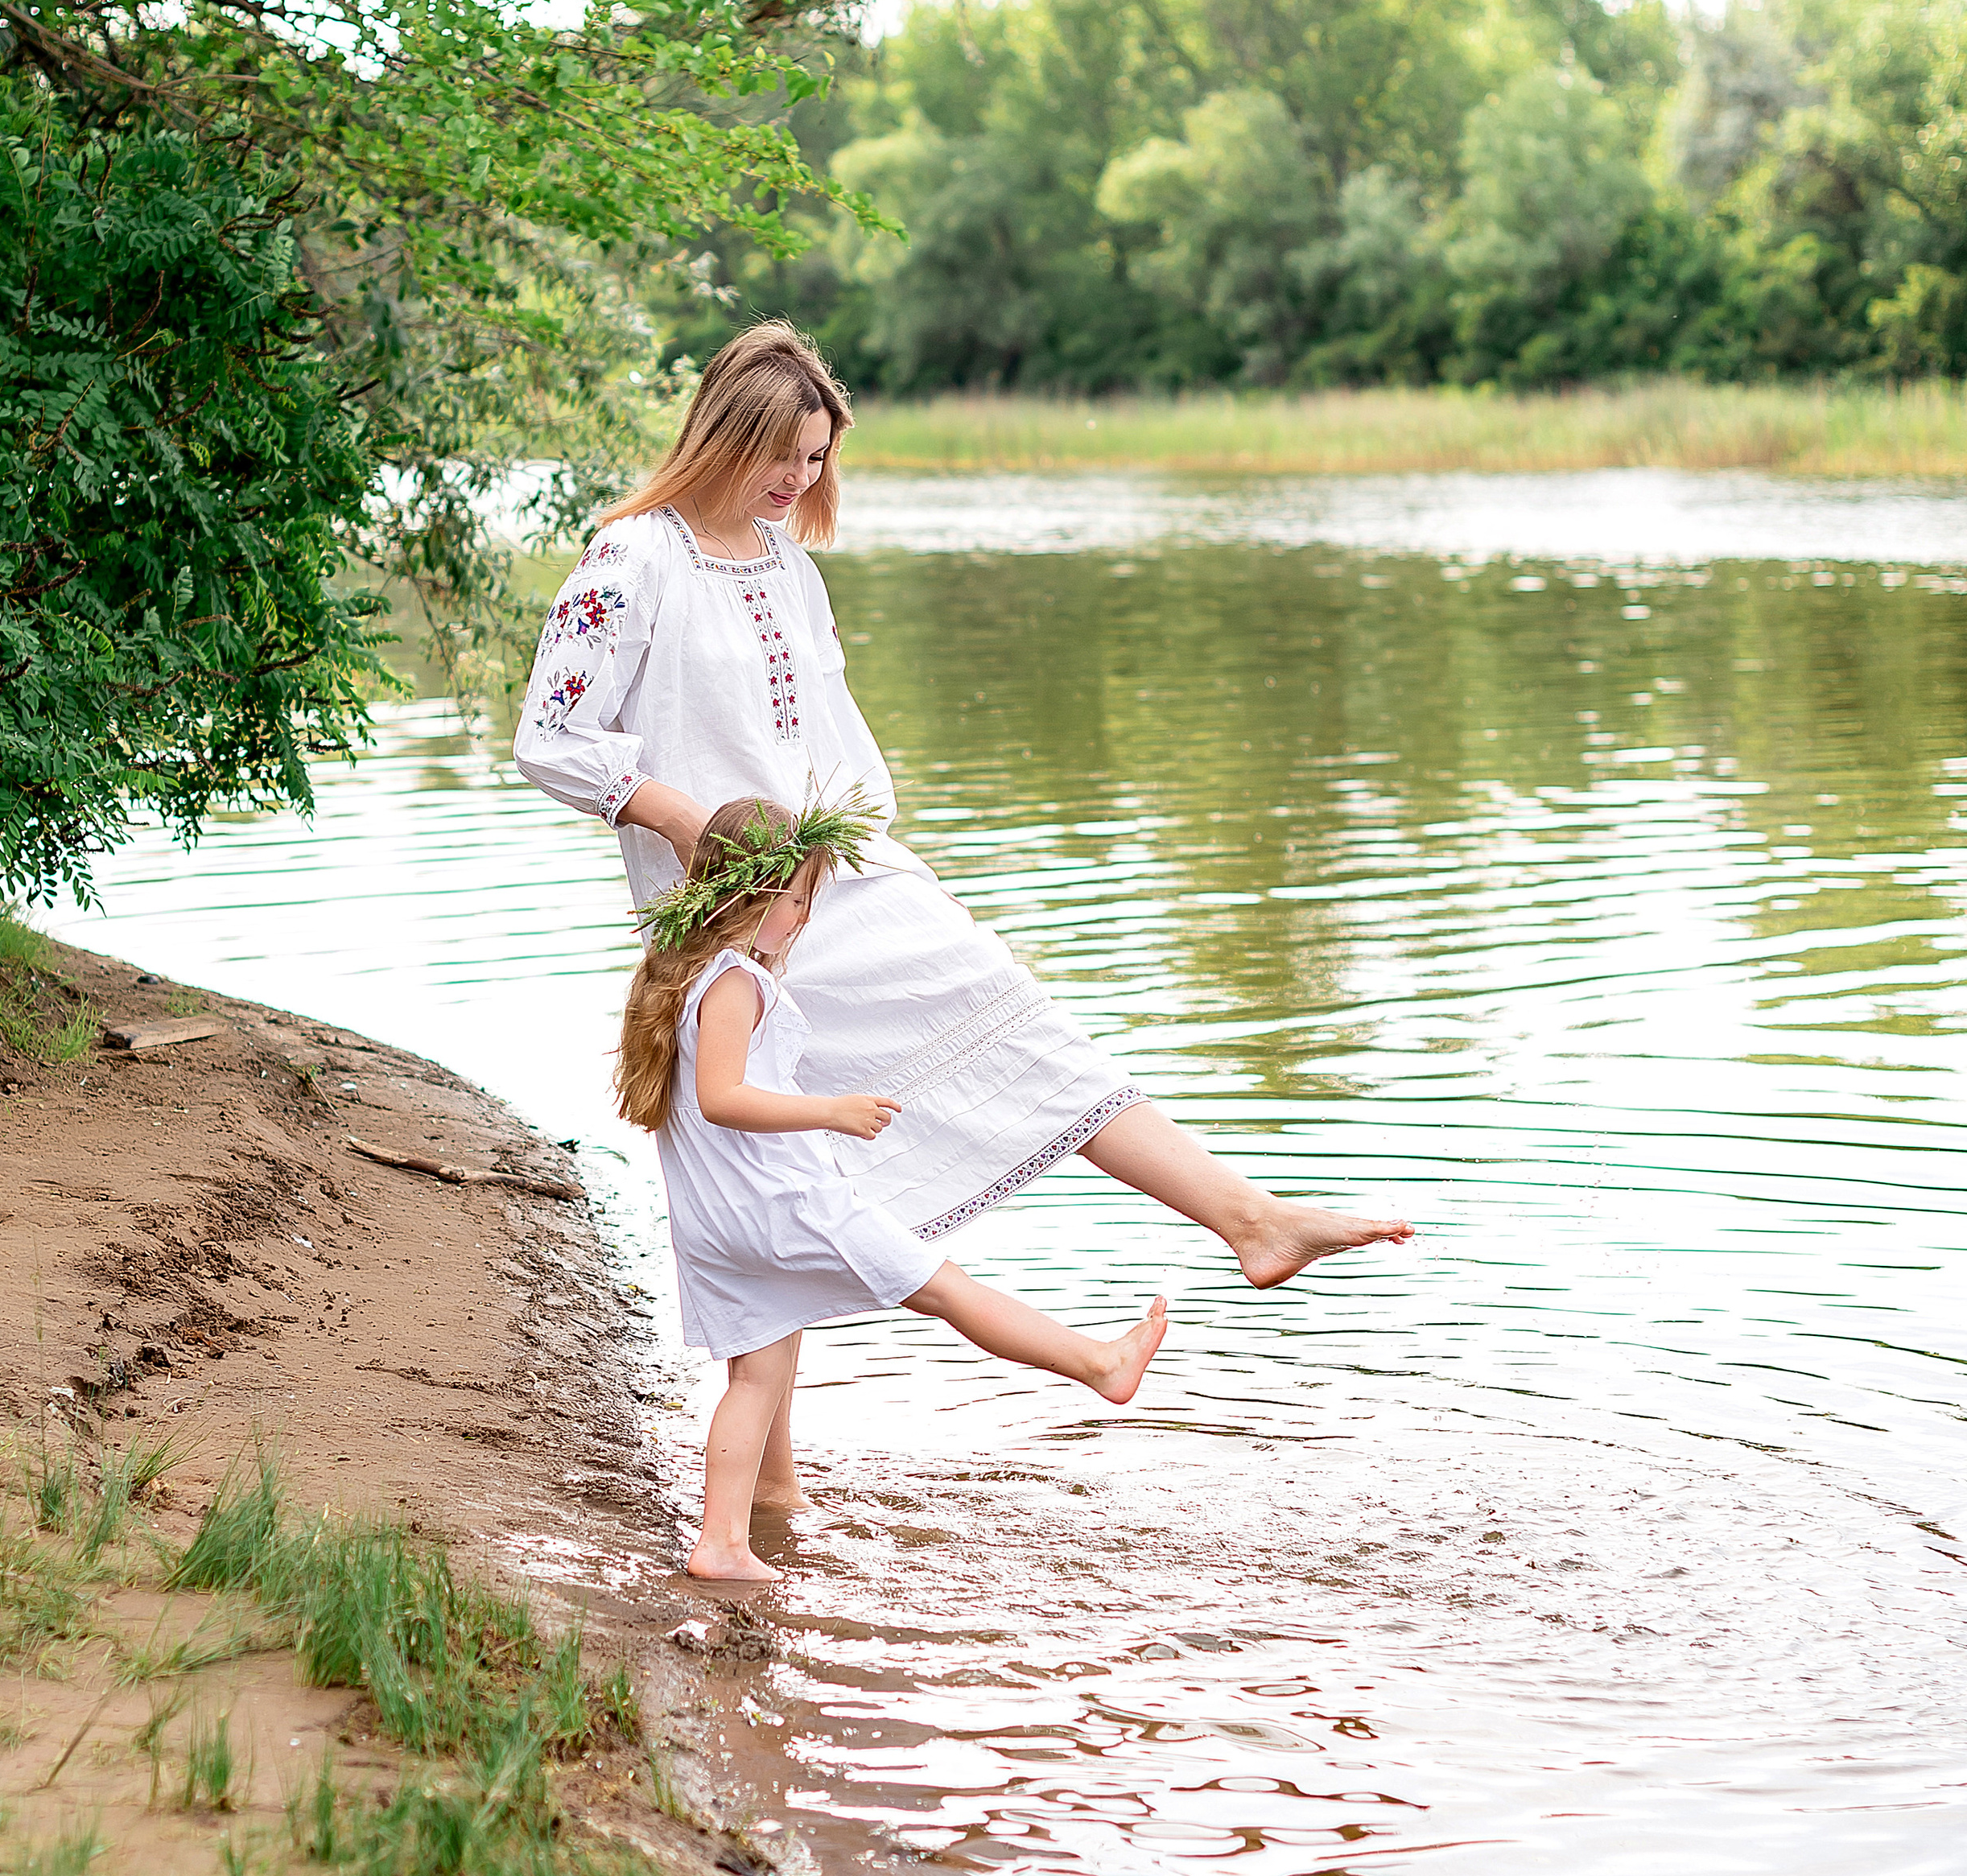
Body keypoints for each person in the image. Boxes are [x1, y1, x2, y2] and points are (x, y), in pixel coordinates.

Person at [513, 316, 1412, 1279]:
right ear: (723, 437)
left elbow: (829, 737)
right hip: (732, 906)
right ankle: (1241, 1224)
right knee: (777, 1151)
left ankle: (1247, 1218)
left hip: (835, 872)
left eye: (816, 459)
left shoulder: (789, 568)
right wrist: (696, 828)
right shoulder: (630, 558)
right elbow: (550, 738)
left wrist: (838, 851)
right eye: (781, 457)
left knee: (1009, 1023)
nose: (799, 481)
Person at [616, 799, 1170, 1581]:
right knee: (943, 1287)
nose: (804, 916)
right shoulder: (734, 982)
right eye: (798, 896)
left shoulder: (686, 970)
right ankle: (1098, 1364)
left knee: (755, 1379)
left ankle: (724, 1541)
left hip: (723, 1216)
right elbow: (721, 1098)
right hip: (783, 1208)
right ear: (753, 894)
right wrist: (831, 1112)